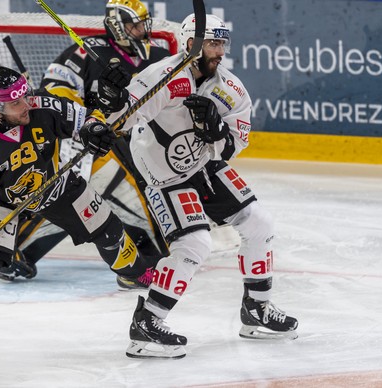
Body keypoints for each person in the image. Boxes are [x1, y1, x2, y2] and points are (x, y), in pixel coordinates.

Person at [0, 66, 156, 378]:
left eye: (26, 95)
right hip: (1, 202)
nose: (26, 104)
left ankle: (134, 273)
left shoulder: (42, 107)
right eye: (16, 102)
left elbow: (86, 118)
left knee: (110, 232)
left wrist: (94, 129)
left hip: (52, 184)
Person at [101, 14, 299, 359]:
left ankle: (256, 309)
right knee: (194, 242)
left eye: (222, 43)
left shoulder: (230, 88)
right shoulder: (162, 78)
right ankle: (147, 322)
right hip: (164, 175)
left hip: (204, 164)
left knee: (260, 223)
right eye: (212, 42)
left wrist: (216, 133)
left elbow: (236, 143)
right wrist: (112, 96)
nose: (219, 51)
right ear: (190, 43)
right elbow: (123, 119)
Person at [0, 0, 171, 289]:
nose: (142, 30)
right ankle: (146, 260)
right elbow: (56, 90)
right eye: (135, 25)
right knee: (71, 197)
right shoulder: (86, 52)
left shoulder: (159, 56)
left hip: (141, 143)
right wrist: (89, 119)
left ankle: (145, 256)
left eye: (144, 23)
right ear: (117, 26)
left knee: (95, 201)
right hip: (94, 142)